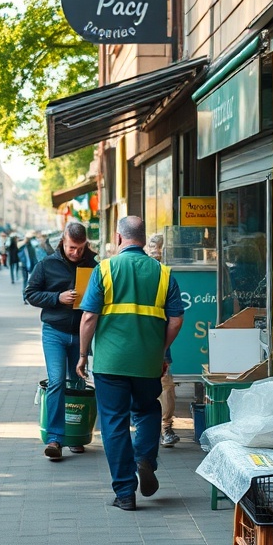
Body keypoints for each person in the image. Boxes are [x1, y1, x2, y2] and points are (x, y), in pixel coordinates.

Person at [76, 216, 184, 511]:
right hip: (148, 362)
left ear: (118, 237)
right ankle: (145, 458)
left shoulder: (105, 269)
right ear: (144, 238)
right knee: (148, 410)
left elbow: (88, 317)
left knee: (114, 422)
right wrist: (161, 351)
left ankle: (125, 493)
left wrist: (83, 354)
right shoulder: (163, 273)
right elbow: (176, 320)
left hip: (110, 363)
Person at [24, 221, 98, 461]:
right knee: (56, 381)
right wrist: (58, 297)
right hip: (54, 332)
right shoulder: (47, 264)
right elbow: (30, 294)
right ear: (63, 242)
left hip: (81, 333)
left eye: (80, 248)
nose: (76, 252)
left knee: (77, 382)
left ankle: (75, 436)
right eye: (71, 248)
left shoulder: (94, 265)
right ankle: (55, 438)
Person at [147, 233, 179, 448]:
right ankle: (159, 428)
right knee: (161, 384)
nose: (156, 253)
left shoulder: (166, 276)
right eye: (152, 249)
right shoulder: (164, 276)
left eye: (158, 249)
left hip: (154, 336)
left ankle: (165, 427)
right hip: (153, 336)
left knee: (165, 384)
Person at [18, 234, 38, 301]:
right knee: (28, 281)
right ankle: (26, 295)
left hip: (24, 266)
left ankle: (25, 296)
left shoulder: (23, 247)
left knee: (25, 281)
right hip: (29, 266)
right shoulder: (31, 247)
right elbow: (34, 258)